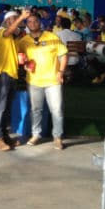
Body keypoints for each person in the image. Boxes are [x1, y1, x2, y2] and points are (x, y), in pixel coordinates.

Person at [18, 14, 68, 150]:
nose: (32, 23)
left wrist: (61, 72)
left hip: (53, 80)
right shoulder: (23, 41)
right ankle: (36, 135)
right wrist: (23, 63)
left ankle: (57, 137)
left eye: (35, 21)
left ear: (40, 22)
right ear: (26, 24)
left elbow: (63, 55)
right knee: (36, 109)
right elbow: (19, 57)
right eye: (29, 21)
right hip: (34, 80)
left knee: (57, 110)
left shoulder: (52, 37)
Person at [0, 9, 30, 151]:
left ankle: (4, 136)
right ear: (7, 21)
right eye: (14, 19)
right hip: (3, 73)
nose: (18, 22)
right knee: (1, 107)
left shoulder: (13, 37)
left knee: (6, 108)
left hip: (11, 74)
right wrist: (22, 18)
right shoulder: (1, 31)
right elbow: (9, 31)